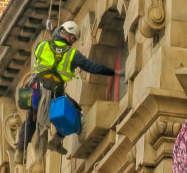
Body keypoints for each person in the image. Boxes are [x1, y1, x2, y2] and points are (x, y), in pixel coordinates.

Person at [23, 20, 117, 155]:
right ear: (72, 37)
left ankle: (23, 148)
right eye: (73, 39)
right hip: (54, 92)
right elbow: (91, 66)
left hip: (35, 87)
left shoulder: (42, 46)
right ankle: (56, 140)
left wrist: (52, 28)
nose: (73, 42)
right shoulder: (72, 54)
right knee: (74, 111)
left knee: (30, 119)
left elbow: (55, 42)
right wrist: (111, 71)